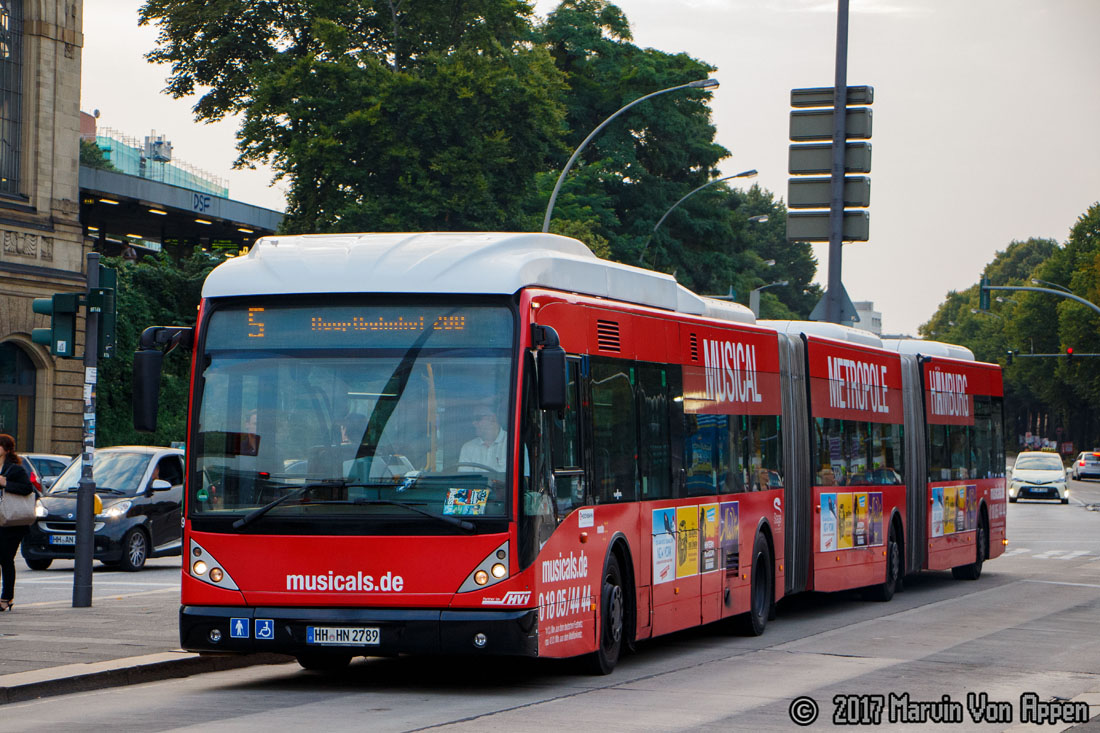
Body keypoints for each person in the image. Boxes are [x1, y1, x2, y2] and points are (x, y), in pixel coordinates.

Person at [0, 434, 35, 612]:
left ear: (6, 449)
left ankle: (6, 598)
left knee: (5, 559)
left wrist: (5, 483)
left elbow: (27, 489)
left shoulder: (14, 470)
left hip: (13, 523)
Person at [459, 405, 507, 472]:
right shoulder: (468, 447)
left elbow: (524, 478)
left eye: (478, 418)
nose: (473, 423)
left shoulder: (513, 444)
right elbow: (465, 480)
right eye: (472, 419)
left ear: (493, 418)